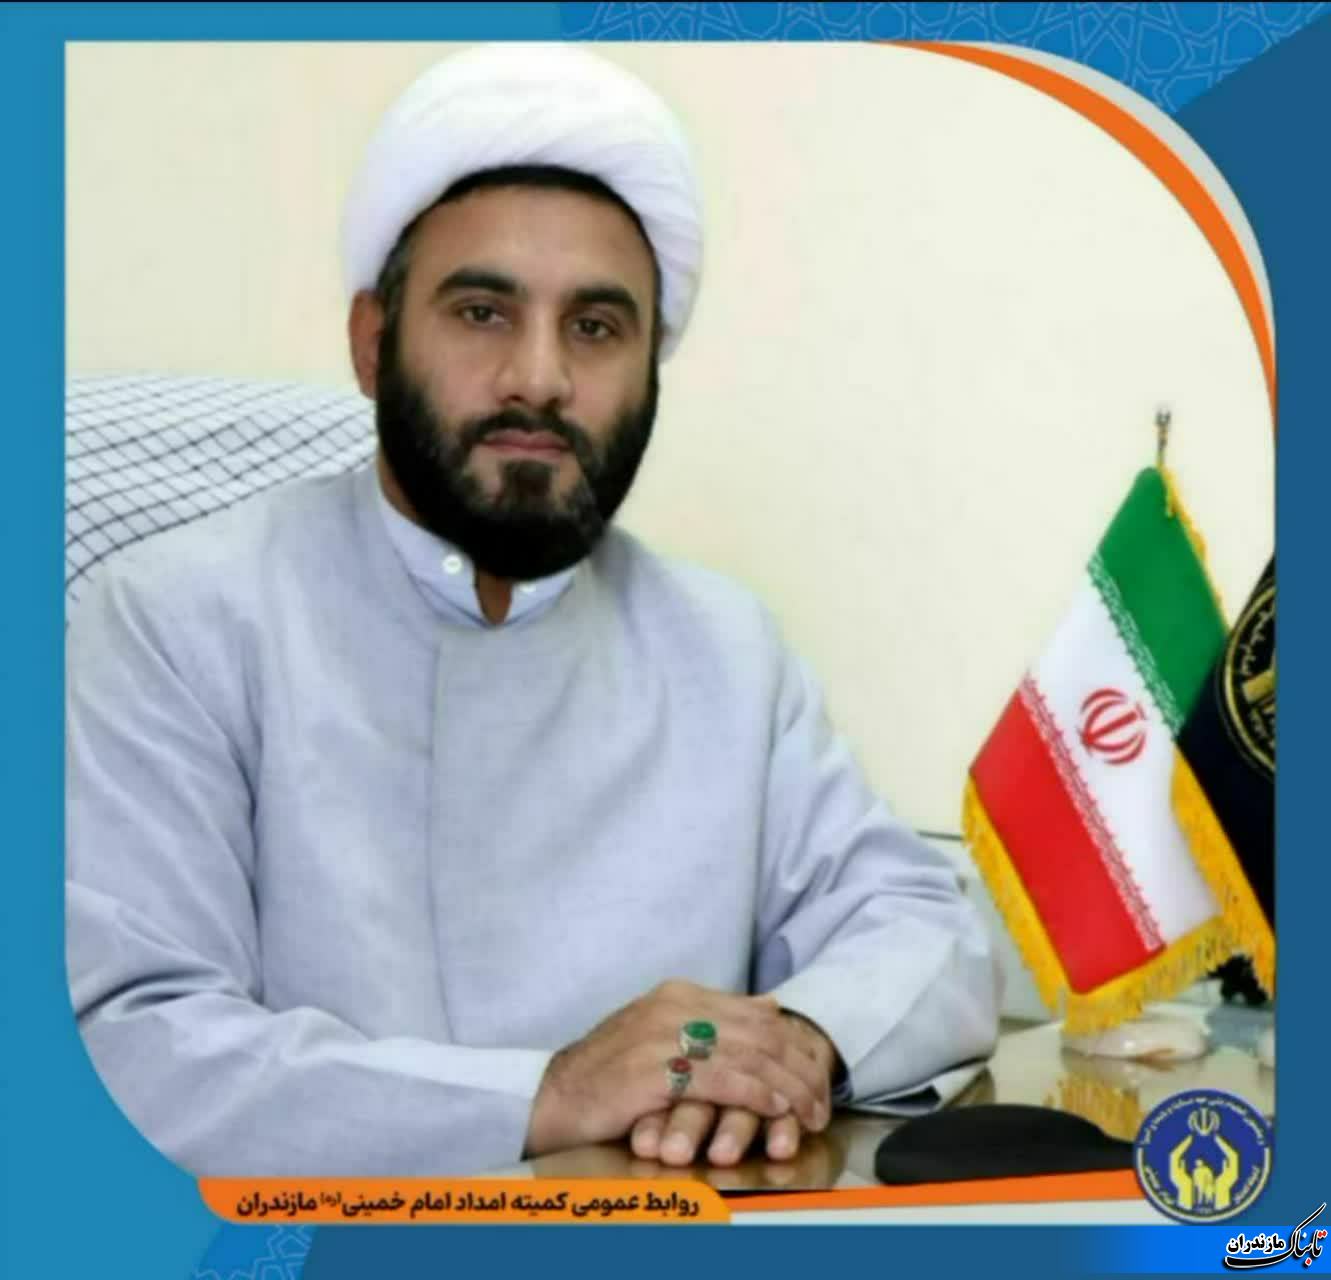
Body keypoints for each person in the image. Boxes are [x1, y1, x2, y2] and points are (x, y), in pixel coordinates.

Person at [65, 43, 1001, 1178]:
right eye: (482, 312)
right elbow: (132, 1051)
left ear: (649, 373)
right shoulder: (177, 620)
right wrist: (550, 1090)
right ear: (372, 343)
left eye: (596, 327)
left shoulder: (723, 646)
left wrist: (792, 1044)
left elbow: (923, 926)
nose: (540, 378)